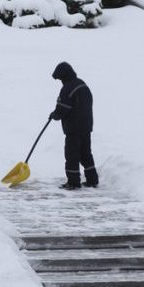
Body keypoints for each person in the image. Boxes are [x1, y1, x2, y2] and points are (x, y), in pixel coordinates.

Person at [49, 61, 97, 190]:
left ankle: (73, 182)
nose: (60, 81)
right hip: (86, 127)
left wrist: (55, 115)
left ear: (64, 76)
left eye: (60, 78)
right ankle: (92, 180)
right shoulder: (83, 84)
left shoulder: (67, 88)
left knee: (72, 155)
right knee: (86, 153)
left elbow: (62, 109)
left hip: (73, 129)